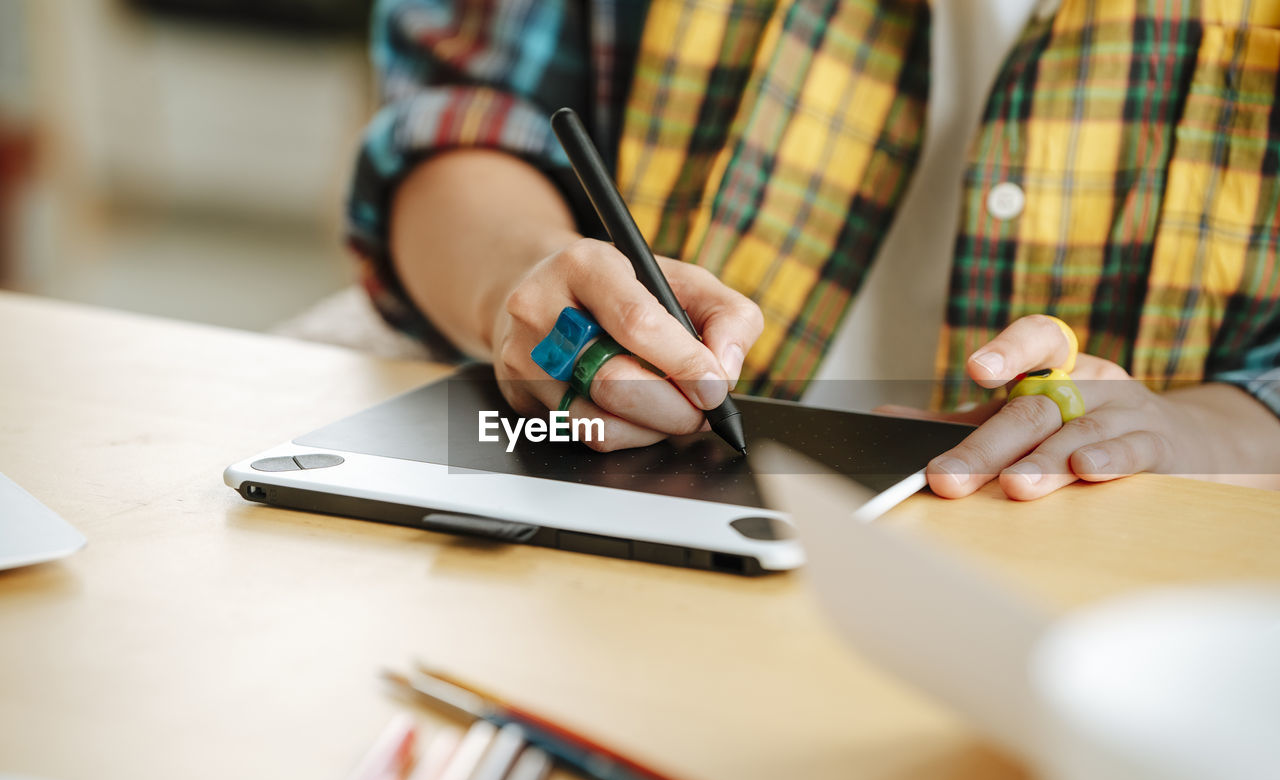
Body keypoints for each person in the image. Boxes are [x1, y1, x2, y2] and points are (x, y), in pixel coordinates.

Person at [346, 0, 1280, 500]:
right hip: (645, 507)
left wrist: (1196, 431)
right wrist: (524, 278)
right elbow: (458, 118)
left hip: (1104, 583)